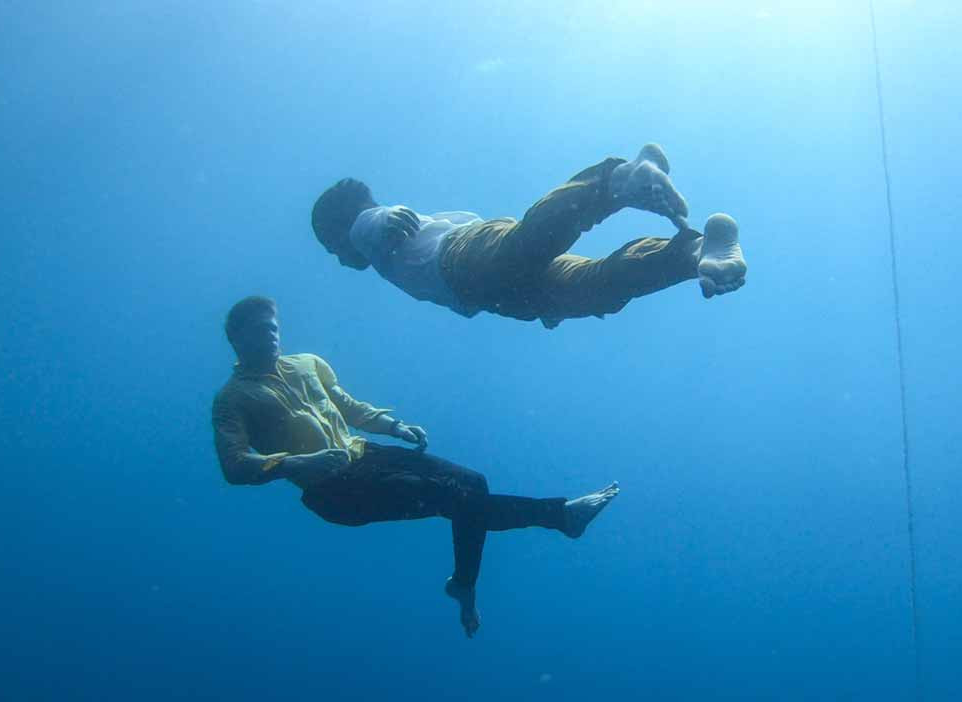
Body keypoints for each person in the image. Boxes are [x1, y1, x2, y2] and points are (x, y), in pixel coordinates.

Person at [211, 296, 619, 637]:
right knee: (450, 497)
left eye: (274, 327)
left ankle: (469, 581)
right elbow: (235, 466)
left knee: (472, 483)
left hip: (367, 454)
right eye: (260, 329)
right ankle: (558, 517)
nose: (272, 334)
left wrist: (395, 426)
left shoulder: (306, 363)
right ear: (236, 338)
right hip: (332, 491)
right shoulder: (232, 399)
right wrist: (300, 462)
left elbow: (347, 406)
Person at [311, 144, 747, 328]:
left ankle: (614, 183)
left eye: (332, 249)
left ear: (339, 232)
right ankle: (693, 253)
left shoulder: (363, 229)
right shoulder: (416, 226)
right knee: (595, 287)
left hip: (462, 262)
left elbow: (368, 218)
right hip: (498, 291)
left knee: (527, 245)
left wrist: (377, 220)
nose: (338, 259)